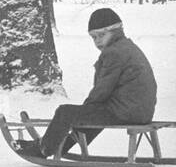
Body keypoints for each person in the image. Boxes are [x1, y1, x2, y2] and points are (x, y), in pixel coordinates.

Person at [15, 8, 157, 159]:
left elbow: (102, 89)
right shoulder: (126, 47)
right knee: (91, 113)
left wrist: (84, 109)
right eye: (94, 37)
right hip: (140, 112)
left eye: (102, 35)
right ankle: (60, 145)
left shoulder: (113, 53)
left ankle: (43, 149)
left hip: (126, 112)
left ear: (116, 31)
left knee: (66, 112)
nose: (98, 41)